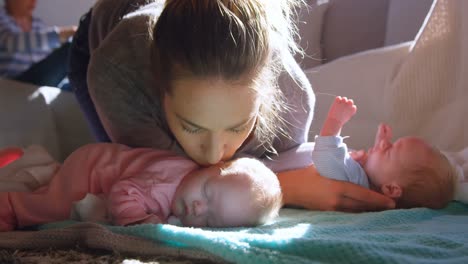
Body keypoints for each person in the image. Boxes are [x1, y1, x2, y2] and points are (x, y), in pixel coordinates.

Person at [68, 0, 395, 212]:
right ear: (160, 93)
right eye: (191, 126)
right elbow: (161, 183)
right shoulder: (119, 72)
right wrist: (288, 188)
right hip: (99, 35)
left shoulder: (291, 102)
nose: (212, 154)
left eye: (238, 127)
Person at [0, 143, 282, 231]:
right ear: (210, 166)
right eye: (207, 193)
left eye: (210, 218)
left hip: (100, 161)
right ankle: (10, 205)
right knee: (54, 207)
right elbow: (124, 191)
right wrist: (138, 222)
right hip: (90, 169)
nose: (198, 207)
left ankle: (45, 173)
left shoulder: (188, 187)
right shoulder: (166, 183)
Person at [312, 96, 458, 209]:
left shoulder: (356, 182)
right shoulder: (372, 177)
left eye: (389, 150)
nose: (383, 144)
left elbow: (326, 157)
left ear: (390, 188)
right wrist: (380, 144)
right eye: (391, 143)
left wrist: (335, 121)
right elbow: (379, 168)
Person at [0, 0, 76, 88]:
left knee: (73, 86)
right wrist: (63, 33)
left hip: (39, 82)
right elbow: (11, 42)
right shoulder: (2, 19)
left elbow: (49, 59)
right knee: (72, 48)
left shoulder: (38, 24)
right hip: (12, 82)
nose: (33, 1)